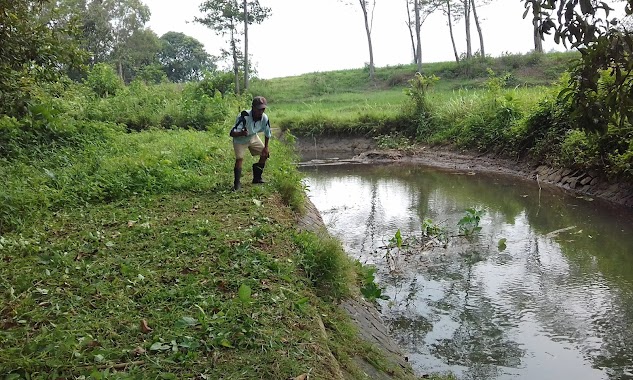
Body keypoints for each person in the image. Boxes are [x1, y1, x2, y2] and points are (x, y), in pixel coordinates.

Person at [229, 96, 272, 191]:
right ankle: (237, 184)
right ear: (253, 108)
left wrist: (266, 147)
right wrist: (242, 133)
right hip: (240, 140)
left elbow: (267, 133)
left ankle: (257, 178)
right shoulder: (243, 116)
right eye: (259, 109)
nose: (261, 112)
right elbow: (232, 133)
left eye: (263, 109)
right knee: (239, 159)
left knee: (265, 154)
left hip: (253, 137)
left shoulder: (264, 118)